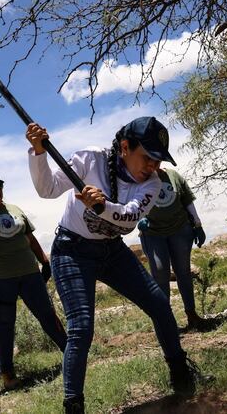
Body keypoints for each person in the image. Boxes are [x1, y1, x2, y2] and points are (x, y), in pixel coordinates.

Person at [27, 116, 196, 413]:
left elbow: (129, 220)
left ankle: (181, 375)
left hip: (112, 251)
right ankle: (73, 405)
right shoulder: (90, 159)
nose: (152, 166)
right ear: (125, 147)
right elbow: (48, 188)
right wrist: (39, 152)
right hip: (72, 251)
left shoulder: (153, 183)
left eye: (158, 160)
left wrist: (102, 206)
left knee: (159, 304)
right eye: (147, 158)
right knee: (81, 327)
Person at [0, 170, 67, 391]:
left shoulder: (15, 210)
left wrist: (44, 260)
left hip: (29, 273)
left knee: (47, 314)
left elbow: (30, 238)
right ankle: (8, 375)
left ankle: (72, 354)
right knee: (5, 325)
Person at [136, 168, 207, 330]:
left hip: (180, 228)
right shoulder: (137, 178)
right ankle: (165, 321)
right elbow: (129, 202)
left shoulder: (173, 176)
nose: (153, 163)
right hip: (153, 233)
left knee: (183, 271)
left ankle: (192, 314)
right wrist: (138, 219)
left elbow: (187, 200)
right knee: (160, 273)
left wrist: (197, 224)